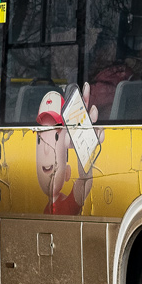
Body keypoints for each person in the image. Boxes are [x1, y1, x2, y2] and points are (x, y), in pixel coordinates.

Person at [33, 83, 104, 215]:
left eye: (55, 136)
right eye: (41, 139)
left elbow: (83, 185)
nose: (47, 151)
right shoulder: (46, 209)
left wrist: (84, 152)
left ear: (67, 173)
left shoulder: (67, 204)